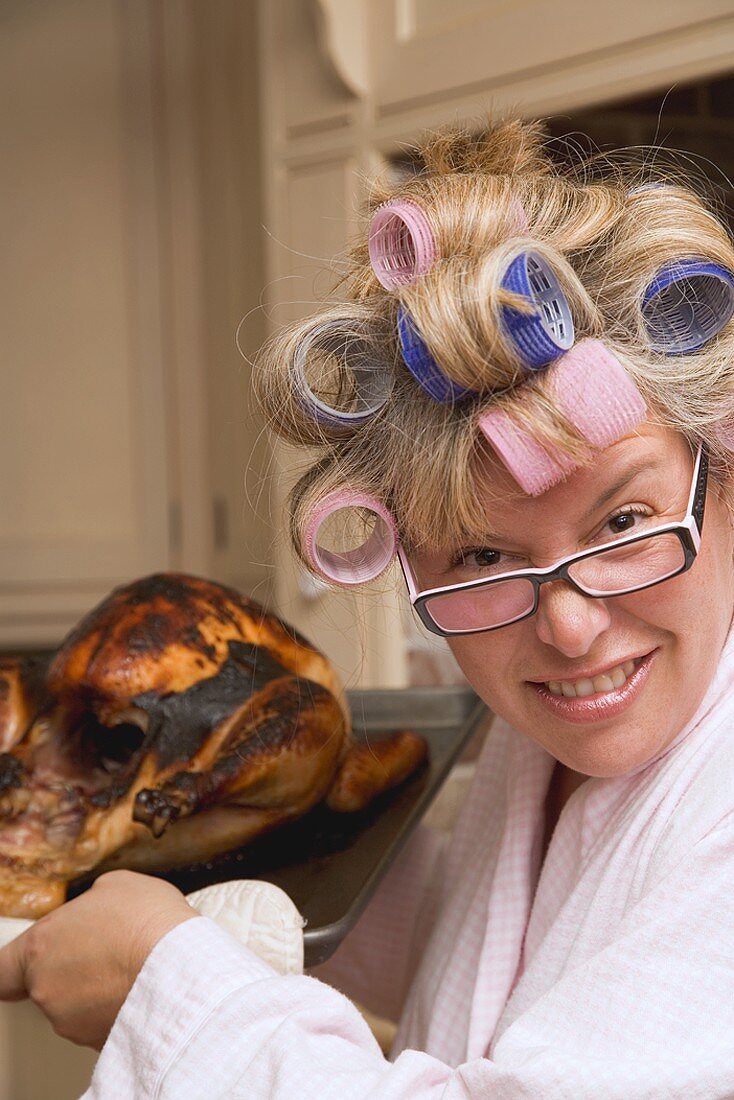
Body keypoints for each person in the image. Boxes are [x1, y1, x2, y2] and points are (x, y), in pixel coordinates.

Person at [4, 116, 734, 1098]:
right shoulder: (551, 747)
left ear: (721, 479)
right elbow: (505, 953)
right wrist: (226, 850)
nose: (564, 624)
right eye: (479, 551)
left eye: (623, 521)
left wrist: (166, 985)